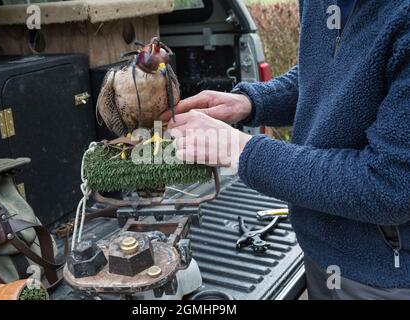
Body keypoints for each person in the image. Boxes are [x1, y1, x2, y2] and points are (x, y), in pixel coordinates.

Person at [160, 0, 410, 299]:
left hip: (381, 275)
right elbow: (321, 72)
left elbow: (389, 186)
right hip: (317, 248)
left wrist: (240, 149)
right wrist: (252, 102)